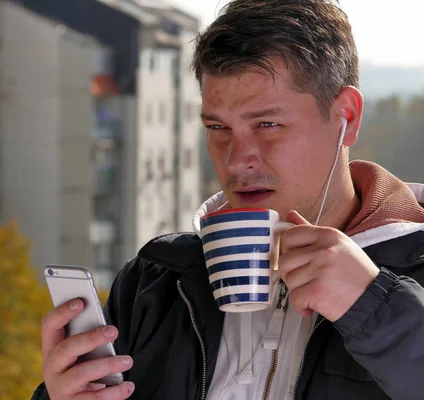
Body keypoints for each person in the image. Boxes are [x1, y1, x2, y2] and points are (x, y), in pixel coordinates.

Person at [32, 0, 424, 399]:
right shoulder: (155, 282)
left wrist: (374, 306)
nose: (237, 159)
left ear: (348, 117)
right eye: (218, 127)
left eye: (267, 124)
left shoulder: (413, 271)